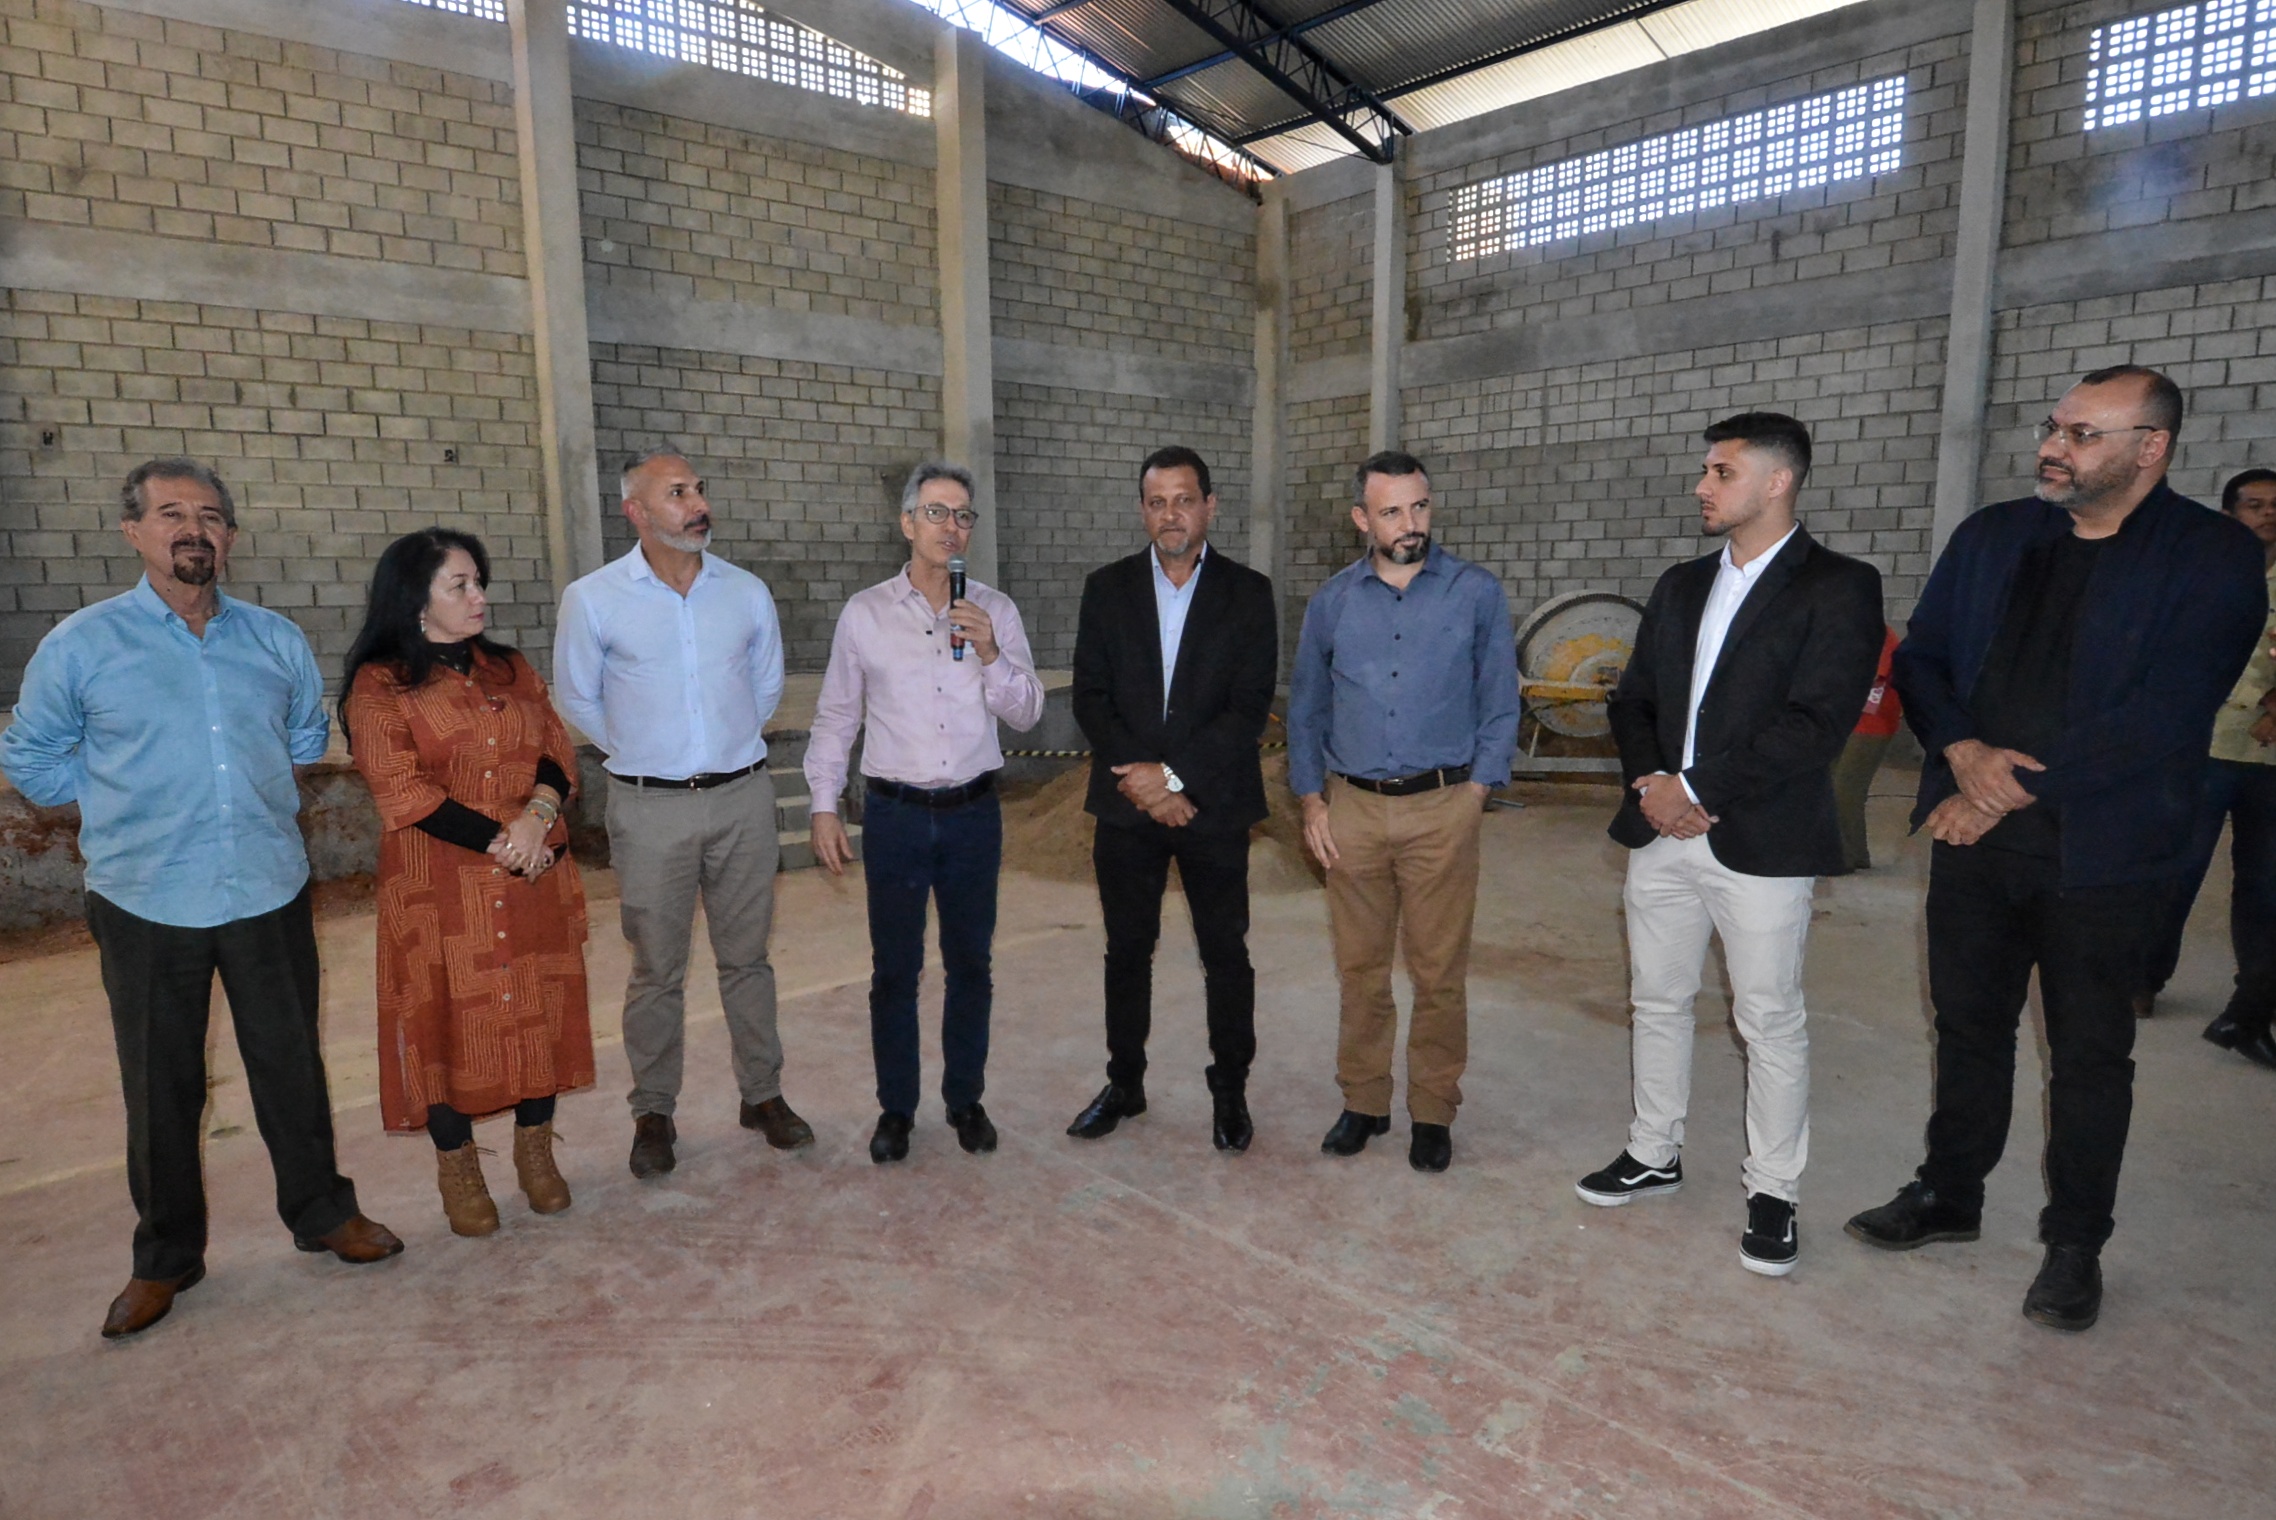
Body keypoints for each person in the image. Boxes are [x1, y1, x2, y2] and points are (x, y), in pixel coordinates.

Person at [1845, 366, 2264, 1332]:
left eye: (2082, 435)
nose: (2052, 448)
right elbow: (1922, 658)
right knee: (1967, 1026)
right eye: (2054, 427)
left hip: (2106, 853)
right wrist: (1962, 753)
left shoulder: (2213, 556)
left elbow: (2167, 713)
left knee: (2089, 1054)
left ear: (2150, 448)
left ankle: (2076, 1244)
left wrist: (1999, 792)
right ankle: (1950, 1192)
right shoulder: (1995, 534)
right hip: (1974, 840)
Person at [1, 458, 402, 1339]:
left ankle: (322, 1213)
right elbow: (30, 759)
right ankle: (166, 1258)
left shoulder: (274, 640)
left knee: (290, 1066)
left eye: (211, 516)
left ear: (231, 537)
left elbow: (303, 738)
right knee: (161, 1085)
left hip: (266, 885)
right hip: (146, 895)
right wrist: (122, 800)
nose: (194, 529)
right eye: (171, 513)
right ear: (134, 532)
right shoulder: (81, 645)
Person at [1574, 414, 1883, 1276]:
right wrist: (1653, 784)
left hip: (1763, 839)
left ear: (1778, 482)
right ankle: (1653, 1150)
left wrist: (1698, 789)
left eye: (1722, 471)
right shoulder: (1681, 584)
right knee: (1657, 1000)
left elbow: (1816, 723)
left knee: (1769, 1019)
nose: (1702, 486)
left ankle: (1774, 1191)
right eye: (1706, 470)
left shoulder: (1841, 586)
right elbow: (1632, 700)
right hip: (1660, 830)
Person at [554, 450, 811, 1179]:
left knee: (748, 959)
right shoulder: (594, 599)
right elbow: (576, 697)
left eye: (698, 490)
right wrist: (644, 751)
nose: (697, 504)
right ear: (635, 511)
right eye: (677, 493)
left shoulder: (745, 593)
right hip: (649, 808)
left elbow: (765, 688)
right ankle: (654, 1112)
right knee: (656, 970)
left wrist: (721, 749)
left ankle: (762, 1095)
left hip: (742, 799)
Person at [343, 529, 596, 1235]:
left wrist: (536, 820)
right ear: (414, 599)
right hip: (439, 890)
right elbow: (402, 790)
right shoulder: (380, 684)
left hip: (533, 873)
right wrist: (506, 842)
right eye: (460, 585)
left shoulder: (509, 669)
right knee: (444, 1022)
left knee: (540, 1008)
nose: (478, 596)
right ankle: (458, 1168)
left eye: (478, 581)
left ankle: (536, 1153)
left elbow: (556, 751)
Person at [1288, 449, 1521, 1174]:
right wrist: (1311, 801)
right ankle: (1364, 1101)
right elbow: (1306, 708)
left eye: (1419, 506)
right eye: (1391, 511)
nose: (1409, 523)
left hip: (1443, 806)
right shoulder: (1332, 602)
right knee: (1360, 970)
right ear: (1362, 519)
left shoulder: (1475, 594)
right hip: (1353, 810)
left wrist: (1476, 794)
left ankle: (1432, 1109)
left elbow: (1500, 702)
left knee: (1438, 971)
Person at [805, 463, 1045, 1163]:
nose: (952, 527)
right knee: (895, 971)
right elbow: (837, 716)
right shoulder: (865, 613)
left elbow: (1027, 713)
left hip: (972, 814)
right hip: (897, 816)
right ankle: (897, 1109)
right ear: (907, 523)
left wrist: (992, 653)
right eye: (937, 513)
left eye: (964, 515)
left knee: (971, 964)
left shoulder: (995, 611)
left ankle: (965, 1099)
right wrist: (823, 804)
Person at [1066, 446, 1278, 1152]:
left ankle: (1230, 1091)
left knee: (1225, 953)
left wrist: (1175, 780)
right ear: (1142, 511)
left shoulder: (1248, 593)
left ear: (1209, 506)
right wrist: (1144, 784)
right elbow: (1091, 695)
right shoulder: (1107, 588)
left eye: (1184, 499)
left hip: (1212, 805)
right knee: (1127, 951)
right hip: (1127, 808)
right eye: (1156, 502)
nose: (1171, 514)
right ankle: (1124, 1084)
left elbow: (1247, 708)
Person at [2139, 468, 2276, 1062]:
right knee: (2176, 871)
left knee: (2266, 888)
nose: (2268, 515)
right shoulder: (2201, 574)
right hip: (2201, 748)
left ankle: (2249, 1009)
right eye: (2255, 505)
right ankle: (2143, 978)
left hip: (2267, 759)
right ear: (2229, 515)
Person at [1831, 626, 1904, 871]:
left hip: (1872, 726)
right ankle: (1854, 852)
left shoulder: (1879, 635)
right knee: (1835, 788)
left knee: (1845, 790)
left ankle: (1844, 856)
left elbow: (1872, 676)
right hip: (1847, 722)